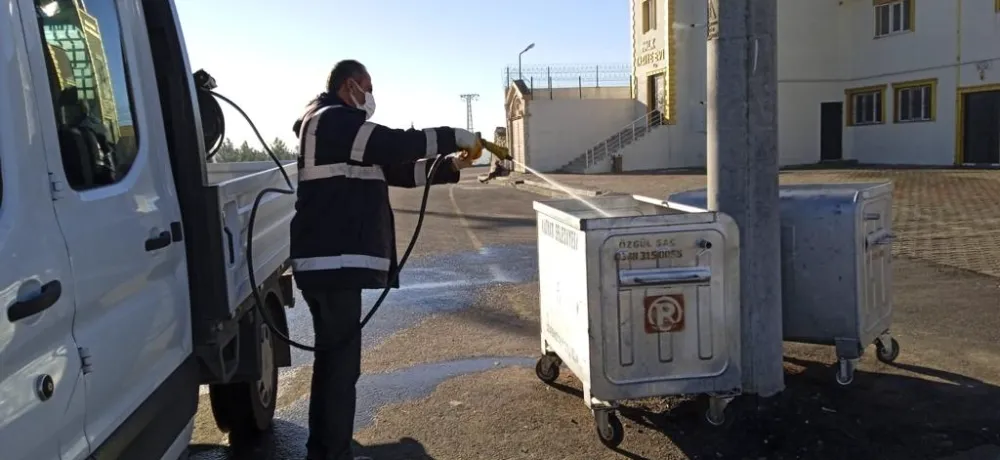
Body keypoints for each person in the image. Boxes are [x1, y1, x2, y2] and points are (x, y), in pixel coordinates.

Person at [289, 59, 478, 460]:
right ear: (348, 86)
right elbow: (394, 144)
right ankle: (330, 454)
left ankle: (324, 451)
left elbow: (399, 171)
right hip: (331, 265)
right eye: (367, 86)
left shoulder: (341, 131)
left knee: (335, 367)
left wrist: (451, 165)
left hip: (330, 266)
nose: (371, 95)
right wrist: (452, 135)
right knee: (340, 372)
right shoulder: (333, 120)